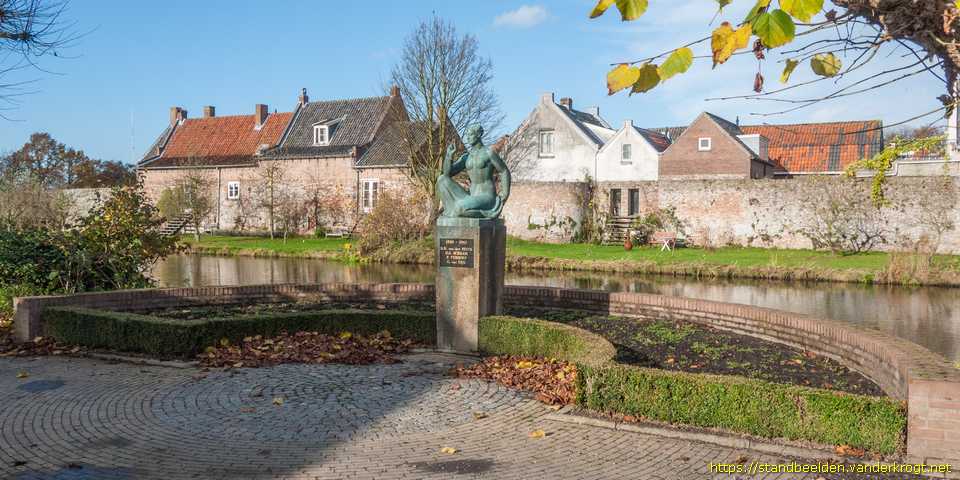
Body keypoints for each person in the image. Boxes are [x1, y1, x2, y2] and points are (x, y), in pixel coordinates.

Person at [435, 124, 511, 219]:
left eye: (470, 135)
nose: (467, 138)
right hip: (470, 196)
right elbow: (447, 174)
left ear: (478, 134)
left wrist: (504, 194)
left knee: (460, 207)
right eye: (467, 135)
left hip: (486, 196)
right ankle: (456, 211)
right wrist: (449, 156)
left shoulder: (489, 153)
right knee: (441, 179)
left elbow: (504, 171)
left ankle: (469, 211)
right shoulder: (466, 157)